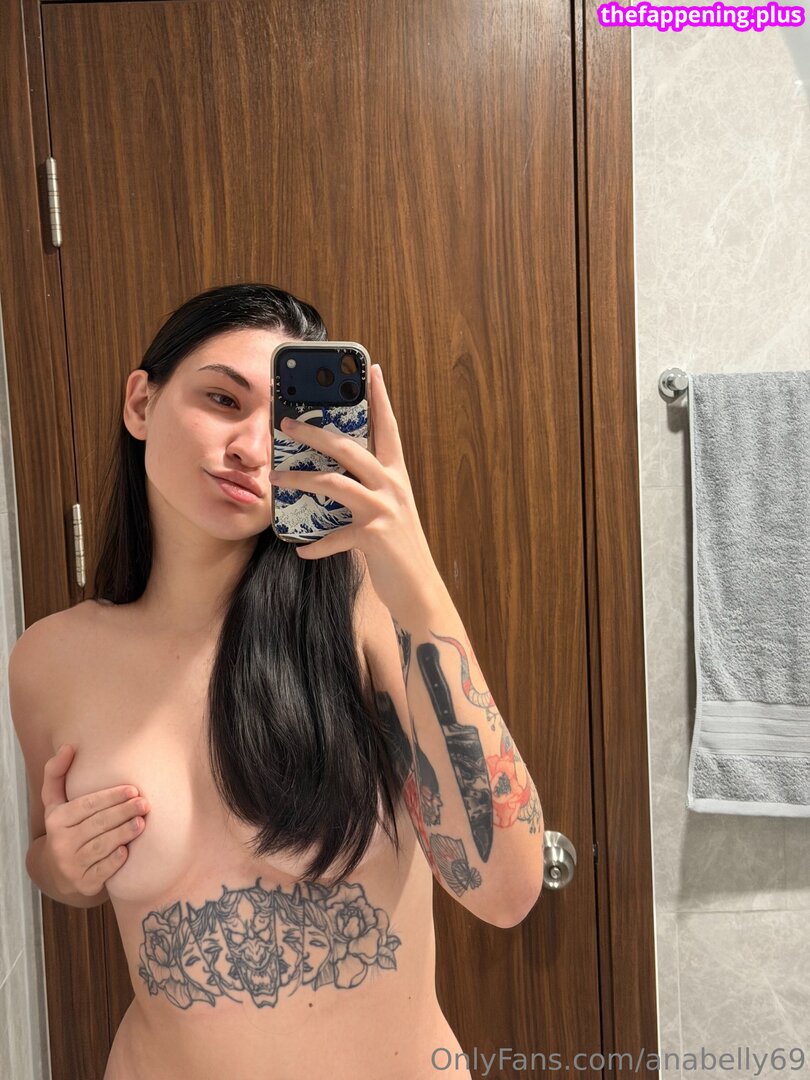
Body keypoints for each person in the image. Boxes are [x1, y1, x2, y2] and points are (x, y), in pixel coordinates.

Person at [10, 283, 544, 1079]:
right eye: (223, 400)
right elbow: (60, 862)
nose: (252, 448)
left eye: (284, 423)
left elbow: (505, 890)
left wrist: (411, 567)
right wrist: (59, 869)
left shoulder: (364, 614)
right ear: (141, 403)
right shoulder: (51, 660)